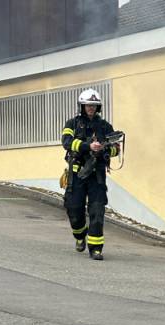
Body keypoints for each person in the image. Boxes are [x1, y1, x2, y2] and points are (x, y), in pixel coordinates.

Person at [60, 89, 120, 261]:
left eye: (94, 105)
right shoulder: (72, 124)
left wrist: (105, 148)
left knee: (97, 211)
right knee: (74, 209)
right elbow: (66, 142)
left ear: (98, 107)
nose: (91, 108)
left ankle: (96, 248)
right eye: (88, 105)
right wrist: (88, 146)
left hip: (97, 175)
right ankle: (80, 235)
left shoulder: (105, 127)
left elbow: (116, 148)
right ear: (82, 106)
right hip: (77, 174)